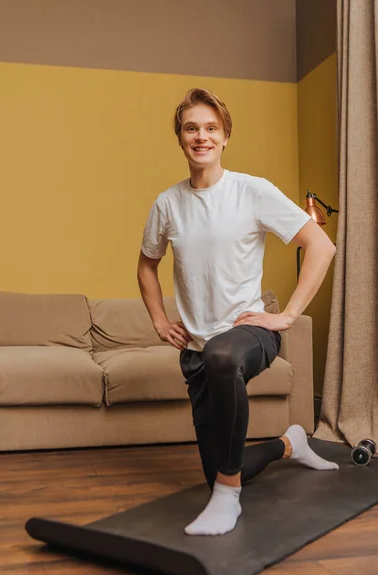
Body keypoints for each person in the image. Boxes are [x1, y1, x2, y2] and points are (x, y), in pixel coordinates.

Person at [137, 88, 338, 536]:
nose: (201, 137)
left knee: (223, 357)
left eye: (211, 128)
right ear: (180, 138)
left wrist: (285, 316)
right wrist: (158, 318)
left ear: (225, 137)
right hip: (198, 350)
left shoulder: (252, 191)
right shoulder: (168, 204)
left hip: (250, 334)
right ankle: (291, 443)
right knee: (224, 466)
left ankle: (228, 500)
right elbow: (147, 264)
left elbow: (321, 246)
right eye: (192, 128)